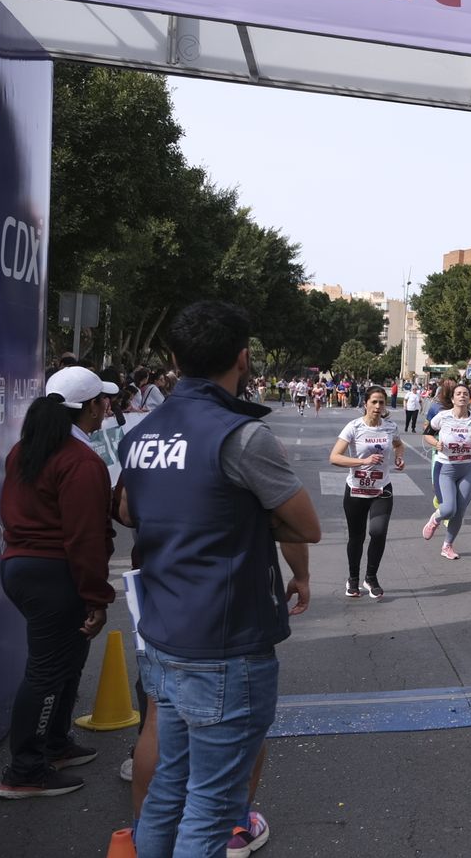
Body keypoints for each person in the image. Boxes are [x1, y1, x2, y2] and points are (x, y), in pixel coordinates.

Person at [118, 301, 319, 857]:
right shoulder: (242, 437)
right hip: (227, 645)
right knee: (210, 809)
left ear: (175, 359)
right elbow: (307, 524)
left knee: (165, 795)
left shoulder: (140, 435)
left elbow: (134, 513)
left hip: (162, 634)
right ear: (243, 357)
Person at [0, 367, 118, 798]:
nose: (108, 407)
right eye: (103, 400)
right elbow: (84, 537)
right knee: (47, 669)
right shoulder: (80, 461)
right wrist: (96, 597)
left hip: (24, 566)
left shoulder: (28, 449)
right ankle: (25, 768)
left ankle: (55, 743)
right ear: (90, 408)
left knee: (66, 660)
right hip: (52, 572)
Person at [331, 386, 406, 599]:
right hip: (356, 489)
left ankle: (371, 577)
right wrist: (362, 462)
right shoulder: (353, 427)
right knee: (357, 536)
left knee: (378, 532)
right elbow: (335, 457)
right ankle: (353, 579)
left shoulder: (390, 427)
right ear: (365, 403)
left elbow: (399, 446)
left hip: (382, 488)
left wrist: (400, 458)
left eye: (381, 402)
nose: (378, 406)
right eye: (374, 402)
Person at [422, 381, 471, 560]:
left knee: (460, 511)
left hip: (467, 469)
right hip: (446, 468)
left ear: (470, 398)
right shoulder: (443, 417)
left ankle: (447, 546)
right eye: (459, 393)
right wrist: (436, 443)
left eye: (466, 393)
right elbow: (426, 434)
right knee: (448, 509)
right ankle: (435, 519)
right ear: (453, 398)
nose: (462, 396)